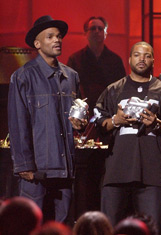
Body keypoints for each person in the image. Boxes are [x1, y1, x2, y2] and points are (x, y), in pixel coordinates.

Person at [7, 15, 86, 222]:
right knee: (32, 225)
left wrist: (81, 125)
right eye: (50, 36)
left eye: (58, 36)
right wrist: (24, 165)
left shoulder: (71, 76)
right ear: (37, 43)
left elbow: (77, 118)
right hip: (37, 171)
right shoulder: (23, 76)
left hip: (65, 170)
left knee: (62, 226)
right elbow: (17, 123)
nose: (57, 40)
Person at [94, 41, 161, 233]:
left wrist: (156, 123)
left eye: (147, 55)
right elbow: (98, 121)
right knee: (108, 228)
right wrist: (116, 121)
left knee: (153, 229)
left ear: (153, 60)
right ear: (129, 59)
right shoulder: (114, 90)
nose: (142, 59)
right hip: (116, 172)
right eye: (137, 55)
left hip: (152, 173)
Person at [67, 16, 126, 112]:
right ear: (85, 33)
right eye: (93, 28)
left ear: (105, 33)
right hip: (83, 111)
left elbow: (122, 89)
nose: (97, 31)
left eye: (100, 29)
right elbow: (69, 88)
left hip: (109, 111)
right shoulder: (75, 59)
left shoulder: (115, 60)